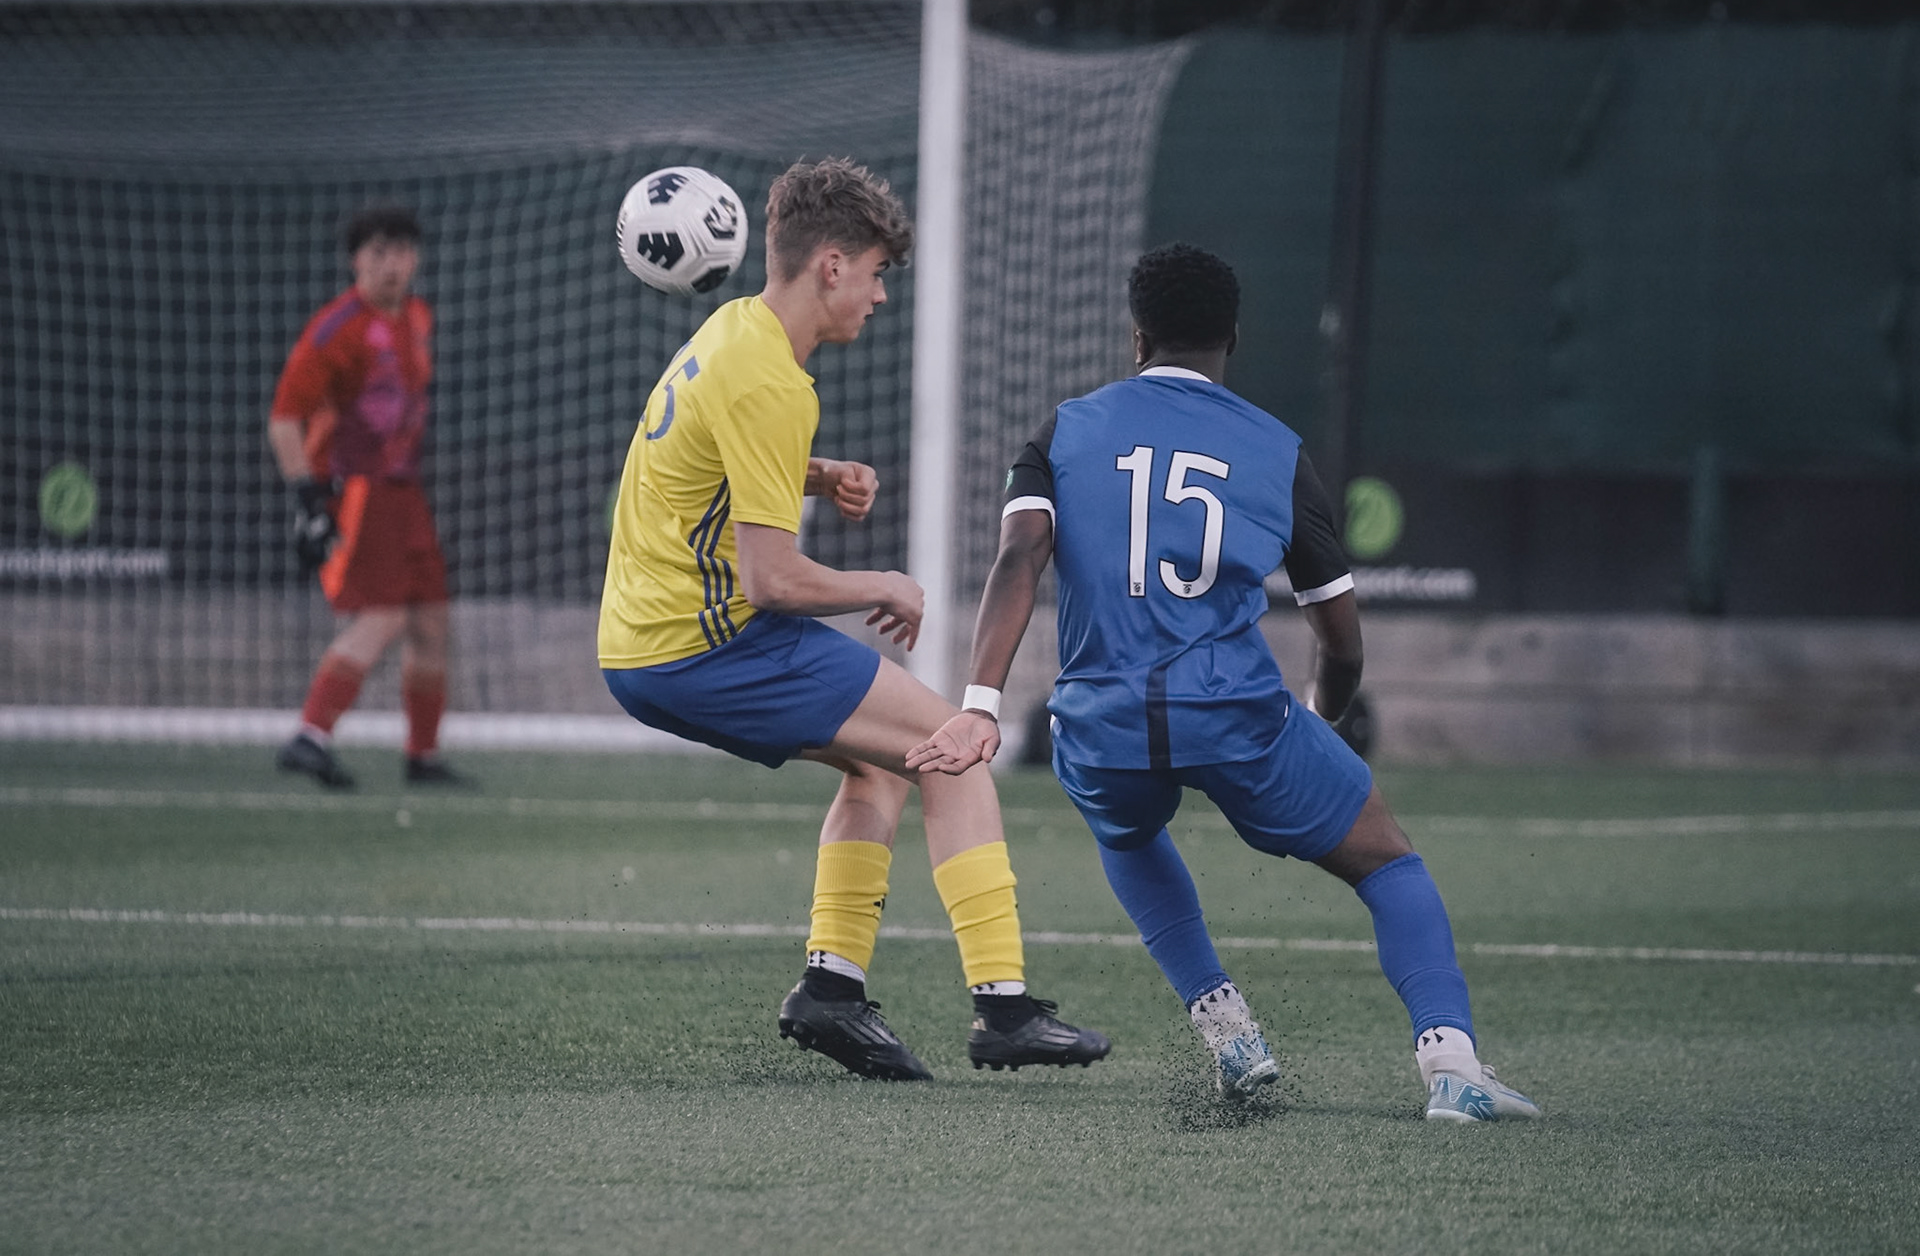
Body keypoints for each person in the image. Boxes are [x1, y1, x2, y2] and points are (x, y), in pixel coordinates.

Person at [908, 244, 1540, 1121]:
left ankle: (1230, 1033)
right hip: (1234, 714)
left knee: (1128, 835)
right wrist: (1320, 719)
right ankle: (1451, 1066)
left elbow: (1019, 556)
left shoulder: (1064, 430)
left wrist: (979, 704)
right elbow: (1341, 639)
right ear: (1233, 337)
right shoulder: (1277, 451)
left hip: (1099, 720)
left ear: (1137, 337)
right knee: (1391, 863)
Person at [599, 157, 1109, 1081]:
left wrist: (817, 474)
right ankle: (1004, 1009)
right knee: (953, 747)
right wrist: (881, 584)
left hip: (651, 640)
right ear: (830, 265)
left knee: (884, 766)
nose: (878, 296)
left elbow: (706, 456)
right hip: (706, 644)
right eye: (874, 274)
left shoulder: (736, 332)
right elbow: (771, 580)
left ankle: (832, 991)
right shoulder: (771, 381)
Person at [268, 204, 465, 790]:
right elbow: (284, 421)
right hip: (356, 490)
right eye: (378, 251)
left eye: (402, 251)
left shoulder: (418, 317)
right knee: (383, 616)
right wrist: (309, 501)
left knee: (431, 621)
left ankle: (422, 757)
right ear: (355, 260)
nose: (391, 264)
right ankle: (310, 736)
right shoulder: (336, 330)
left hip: (405, 491)